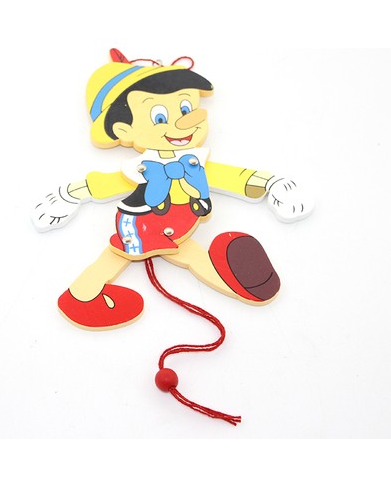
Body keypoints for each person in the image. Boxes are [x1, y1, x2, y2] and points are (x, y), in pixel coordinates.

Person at [32, 49, 313, 329]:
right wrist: (68, 195)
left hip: (177, 225)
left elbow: (231, 177)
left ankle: (82, 295)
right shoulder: (143, 167)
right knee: (124, 255)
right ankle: (82, 295)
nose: (184, 122)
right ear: (123, 131)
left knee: (190, 258)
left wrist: (272, 184)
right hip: (142, 221)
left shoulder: (194, 162)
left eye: (186, 108)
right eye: (159, 117)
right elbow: (107, 183)